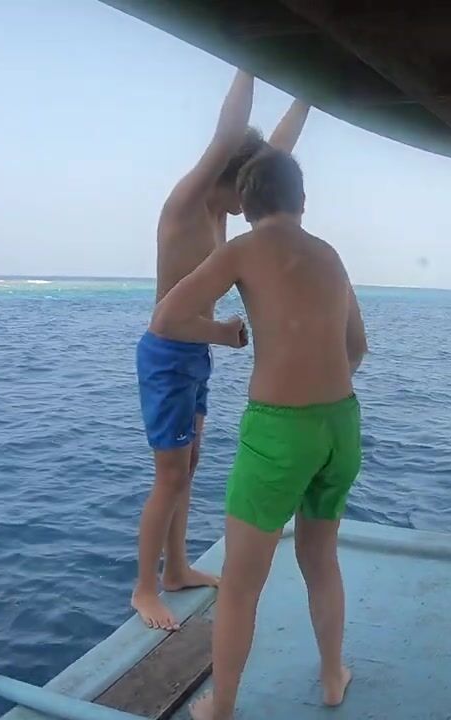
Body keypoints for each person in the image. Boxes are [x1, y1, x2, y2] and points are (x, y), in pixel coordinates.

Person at [150, 148, 367, 720]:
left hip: (278, 432)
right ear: (303, 200)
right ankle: (332, 677)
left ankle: (221, 706)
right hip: (341, 425)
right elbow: (358, 347)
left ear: (244, 206)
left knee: (242, 584)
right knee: (321, 558)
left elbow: (166, 318)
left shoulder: (242, 249)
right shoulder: (330, 254)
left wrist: (225, 333)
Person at [132, 69, 312, 631]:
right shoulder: (187, 203)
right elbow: (229, 132)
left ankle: (177, 568)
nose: (250, 202)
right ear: (228, 175)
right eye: (245, 188)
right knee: (169, 475)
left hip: (195, 356)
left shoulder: (218, 213)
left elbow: (274, 154)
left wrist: (310, 92)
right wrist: (249, 59)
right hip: (167, 354)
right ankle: (144, 588)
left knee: (188, 467)